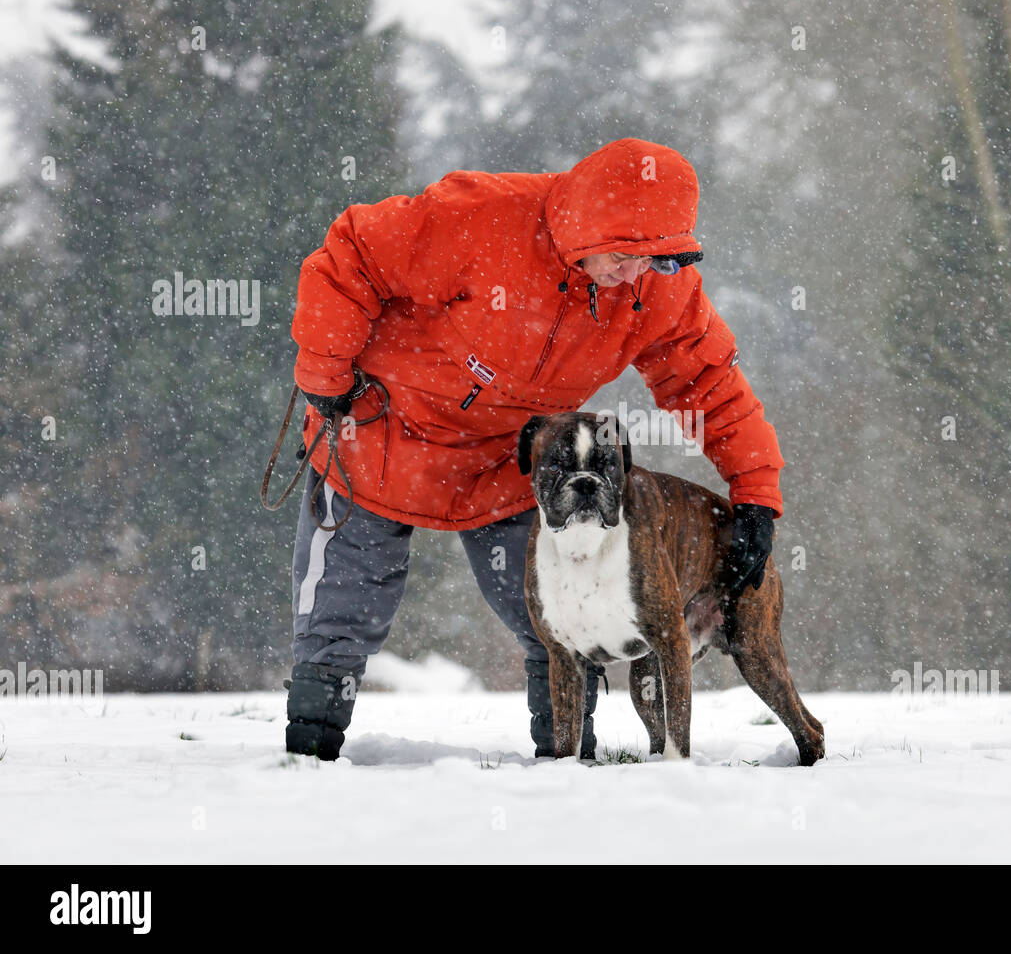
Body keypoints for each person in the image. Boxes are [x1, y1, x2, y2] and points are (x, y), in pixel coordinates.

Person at [283, 138, 785, 761]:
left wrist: (756, 497)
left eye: (655, 260)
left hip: (508, 465)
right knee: (343, 602)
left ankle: (566, 756)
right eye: (626, 256)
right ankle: (307, 751)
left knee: (557, 607)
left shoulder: (653, 290)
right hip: (380, 434)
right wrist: (325, 378)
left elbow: (711, 384)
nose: (637, 275)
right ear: (589, 229)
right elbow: (349, 256)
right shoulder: (474, 217)